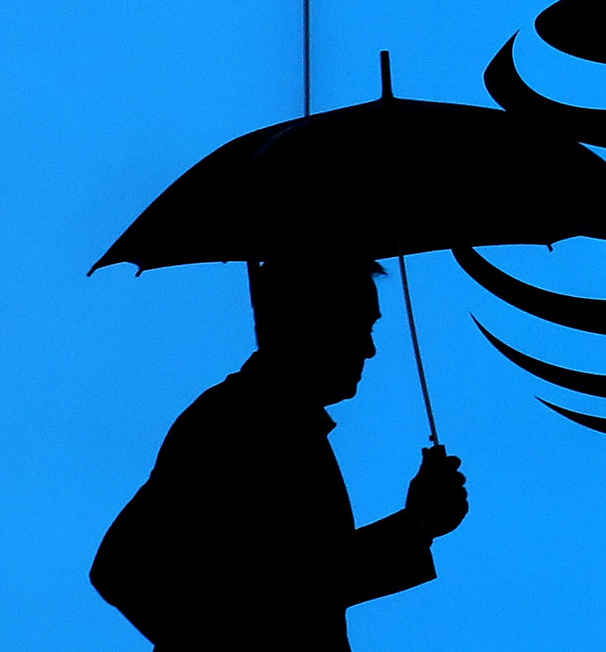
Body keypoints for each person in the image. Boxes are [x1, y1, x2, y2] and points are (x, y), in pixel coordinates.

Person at [92, 258, 470, 650]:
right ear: (311, 330)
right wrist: (418, 525)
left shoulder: (267, 422)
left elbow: (298, 579)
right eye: (359, 326)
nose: (369, 349)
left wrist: (417, 525)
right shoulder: (237, 425)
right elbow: (120, 569)